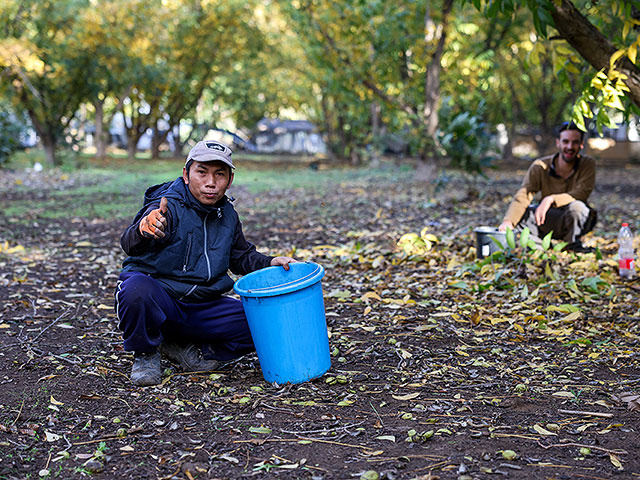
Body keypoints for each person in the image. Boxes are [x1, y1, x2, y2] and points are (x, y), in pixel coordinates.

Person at [115, 140, 296, 386]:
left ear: (230, 180)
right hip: (163, 300)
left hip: (203, 306)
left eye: (219, 174)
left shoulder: (227, 215)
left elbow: (240, 257)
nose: (211, 182)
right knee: (135, 289)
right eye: (202, 172)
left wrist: (271, 261)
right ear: (186, 174)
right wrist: (145, 229)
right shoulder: (166, 205)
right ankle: (146, 353)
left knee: (263, 321)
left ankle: (192, 351)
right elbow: (130, 242)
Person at [498, 122, 597, 252]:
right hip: (548, 218)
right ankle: (541, 246)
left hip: (575, 219)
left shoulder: (587, 164)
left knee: (577, 207)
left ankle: (571, 245)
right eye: (565, 141)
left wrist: (550, 199)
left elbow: (581, 193)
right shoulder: (541, 166)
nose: (570, 146)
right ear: (558, 143)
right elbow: (524, 194)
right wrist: (508, 222)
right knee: (523, 215)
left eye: (575, 142)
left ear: (581, 145)